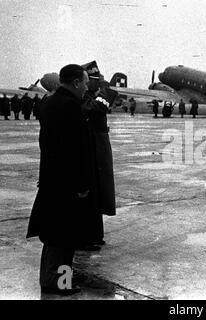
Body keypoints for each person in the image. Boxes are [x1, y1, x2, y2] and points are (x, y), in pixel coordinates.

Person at [27, 64, 97, 295]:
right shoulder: (70, 107)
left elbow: (46, 143)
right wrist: (82, 184)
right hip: (67, 182)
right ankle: (61, 283)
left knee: (53, 236)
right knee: (66, 237)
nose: (86, 87)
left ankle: (48, 279)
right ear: (76, 82)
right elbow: (75, 150)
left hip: (51, 177)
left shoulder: (49, 103)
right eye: (85, 82)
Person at [80, 61, 117, 250]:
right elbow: (98, 108)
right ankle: (87, 237)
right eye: (96, 80)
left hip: (98, 147)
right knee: (90, 193)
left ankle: (95, 235)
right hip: (91, 149)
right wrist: (105, 90)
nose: (99, 83)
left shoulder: (90, 96)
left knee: (98, 193)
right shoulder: (84, 98)